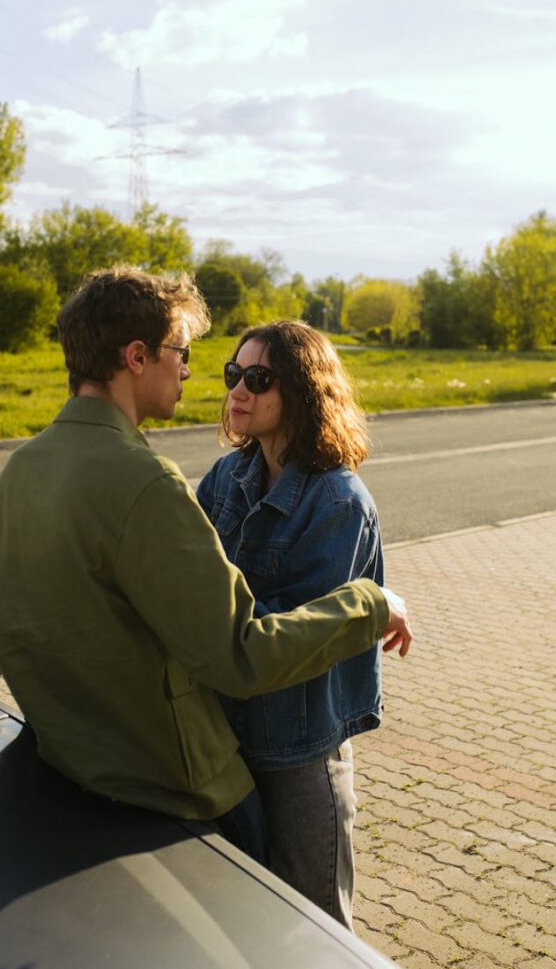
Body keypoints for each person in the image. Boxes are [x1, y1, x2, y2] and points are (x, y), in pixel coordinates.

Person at [0, 267, 412, 867]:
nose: (192, 371)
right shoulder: (149, 483)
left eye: (254, 378)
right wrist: (373, 604)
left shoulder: (18, 470)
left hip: (79, 768)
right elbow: (240, 650)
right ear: (136, 357)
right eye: (182, 353)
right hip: (174, 783)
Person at [197, 320, 402, 927]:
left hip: (295, 752)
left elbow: (302, 637)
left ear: (305, 390)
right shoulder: (224, 478)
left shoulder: (339, 501)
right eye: (233, 373)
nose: (238, 390)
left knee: (315, 931)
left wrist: (209, 619)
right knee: (239, 921)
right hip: (222, 742)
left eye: (258, 379)